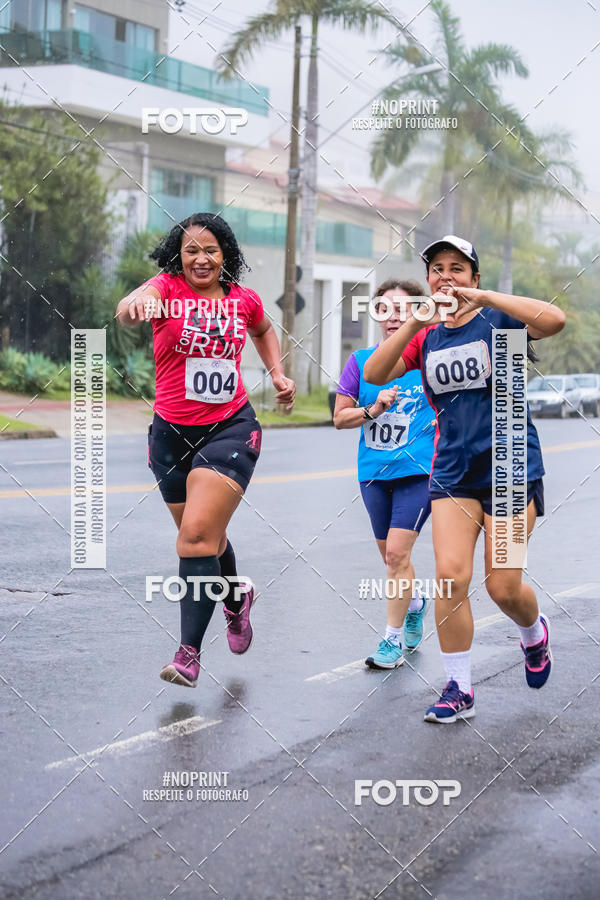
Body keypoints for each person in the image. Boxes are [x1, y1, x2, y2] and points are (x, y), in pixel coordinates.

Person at [363, 235, 565, 722]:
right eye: (437, 268)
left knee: (503, 587)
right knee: (450, 579)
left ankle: (533, 631)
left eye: (457, 268)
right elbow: (374, 371)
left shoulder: (500, 319)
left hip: (511, 465)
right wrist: (417, 316)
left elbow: (554, 320)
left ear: (474, 276)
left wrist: (489, 298)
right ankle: (459, 687)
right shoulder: (427, 335)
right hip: (452, 469)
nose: (446, 276)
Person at [116, 212, 295, 687]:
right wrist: (135, 302)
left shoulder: (243, 300)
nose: (201, 258)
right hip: (170, 435)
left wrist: (276, 373)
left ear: (225, 255)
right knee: (206, 540)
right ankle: (235, 596)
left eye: (210, 250)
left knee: (195, 536)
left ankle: (188, 655)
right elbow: (137, 300)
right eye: (191, 249)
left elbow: (262, 328)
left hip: (230, 429)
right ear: (179, 255)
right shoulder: (167, 290)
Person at [334, 279, 435, 669]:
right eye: (386, 309)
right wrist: (372, 410)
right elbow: (340, 418)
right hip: (374, 473)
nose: (394, 316)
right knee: (389, 557)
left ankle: (391, 642)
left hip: (419, 471)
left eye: (403, 309)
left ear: (417, 315)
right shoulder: (361, 362)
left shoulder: (427, 357)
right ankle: (416, 603)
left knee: (396, 553)